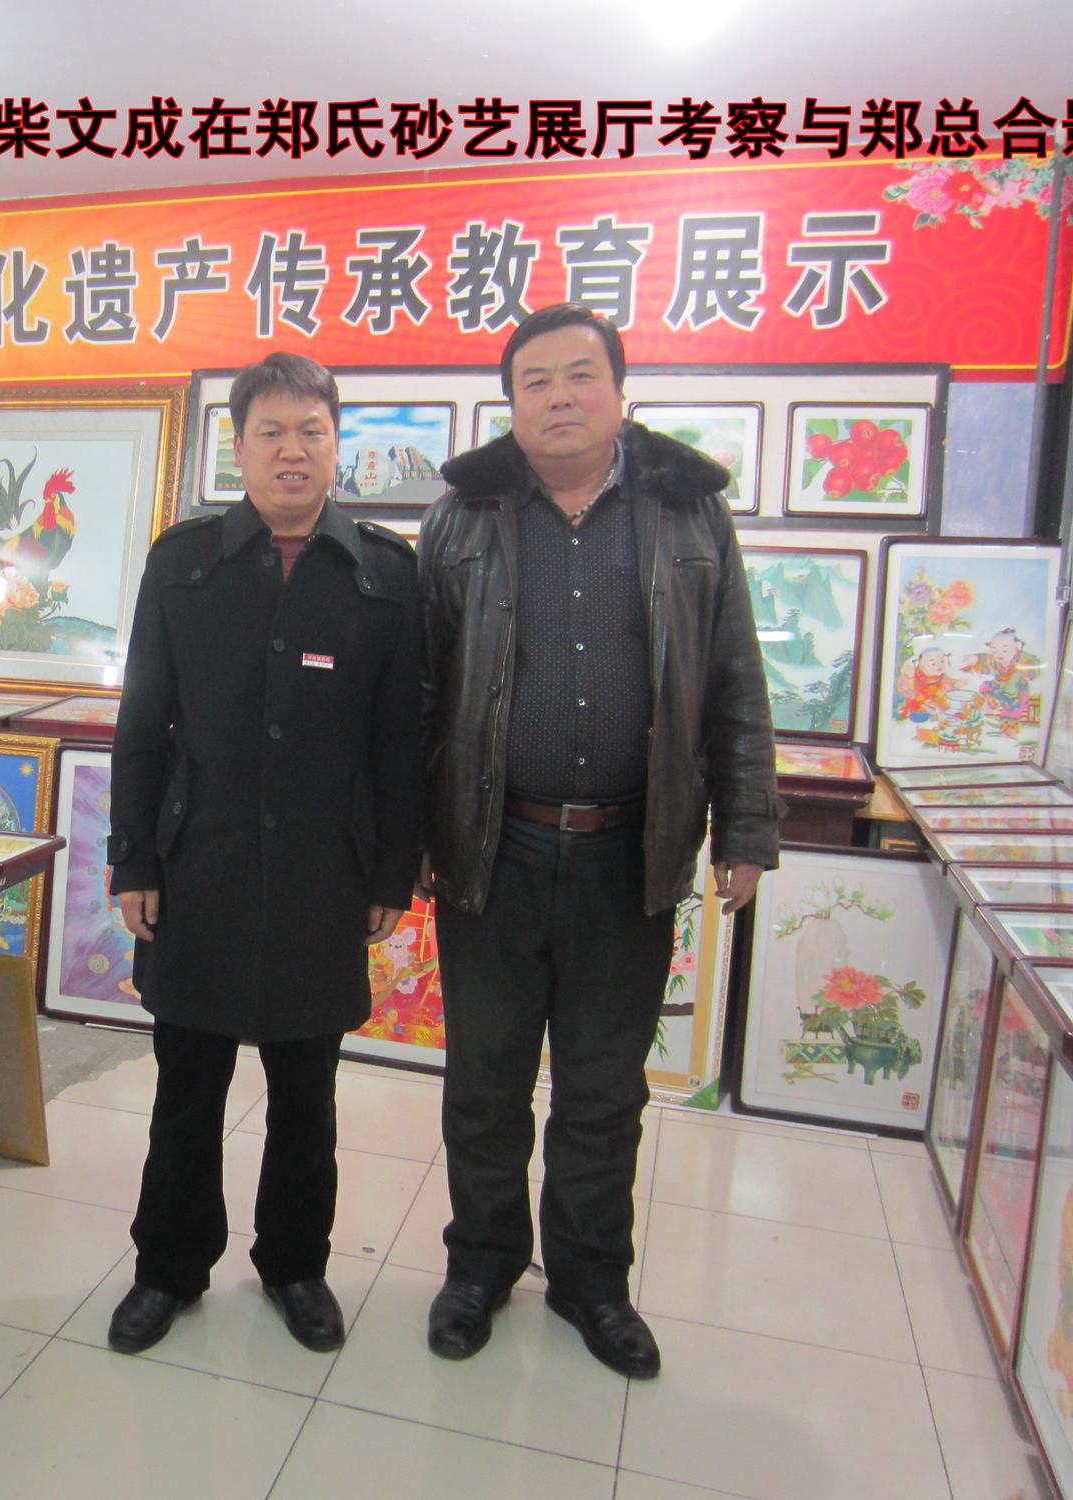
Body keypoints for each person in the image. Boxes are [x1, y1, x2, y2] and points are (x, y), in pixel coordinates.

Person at [419, 304, 780, 1376]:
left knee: (603, 1088)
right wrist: (407, 838)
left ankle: (589, 1279)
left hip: (630, 853)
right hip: (494, 847)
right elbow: (419, 691)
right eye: (534, 381)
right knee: (483, 1080)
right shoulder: (462, 516)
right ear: (510, 403)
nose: (559, 397)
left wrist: (746, 826)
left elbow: (734, 677)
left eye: (580, 375)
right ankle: (481, 1263)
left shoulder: (686, 513)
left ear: (620, 391)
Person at [105, 352, 422, 1355]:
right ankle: (168, 1268)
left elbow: (400, 743)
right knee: (185, 1090)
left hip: (326, 876)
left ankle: (294, 1265)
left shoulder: (385, 575)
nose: (292, 451)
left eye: (311, 432)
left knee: (305, 1095)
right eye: (271, 432)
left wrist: (390, 872)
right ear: (236, 448)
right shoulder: (183, 563)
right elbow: (142, 722)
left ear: (337, 446)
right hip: (196, 867)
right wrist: (132, 859)